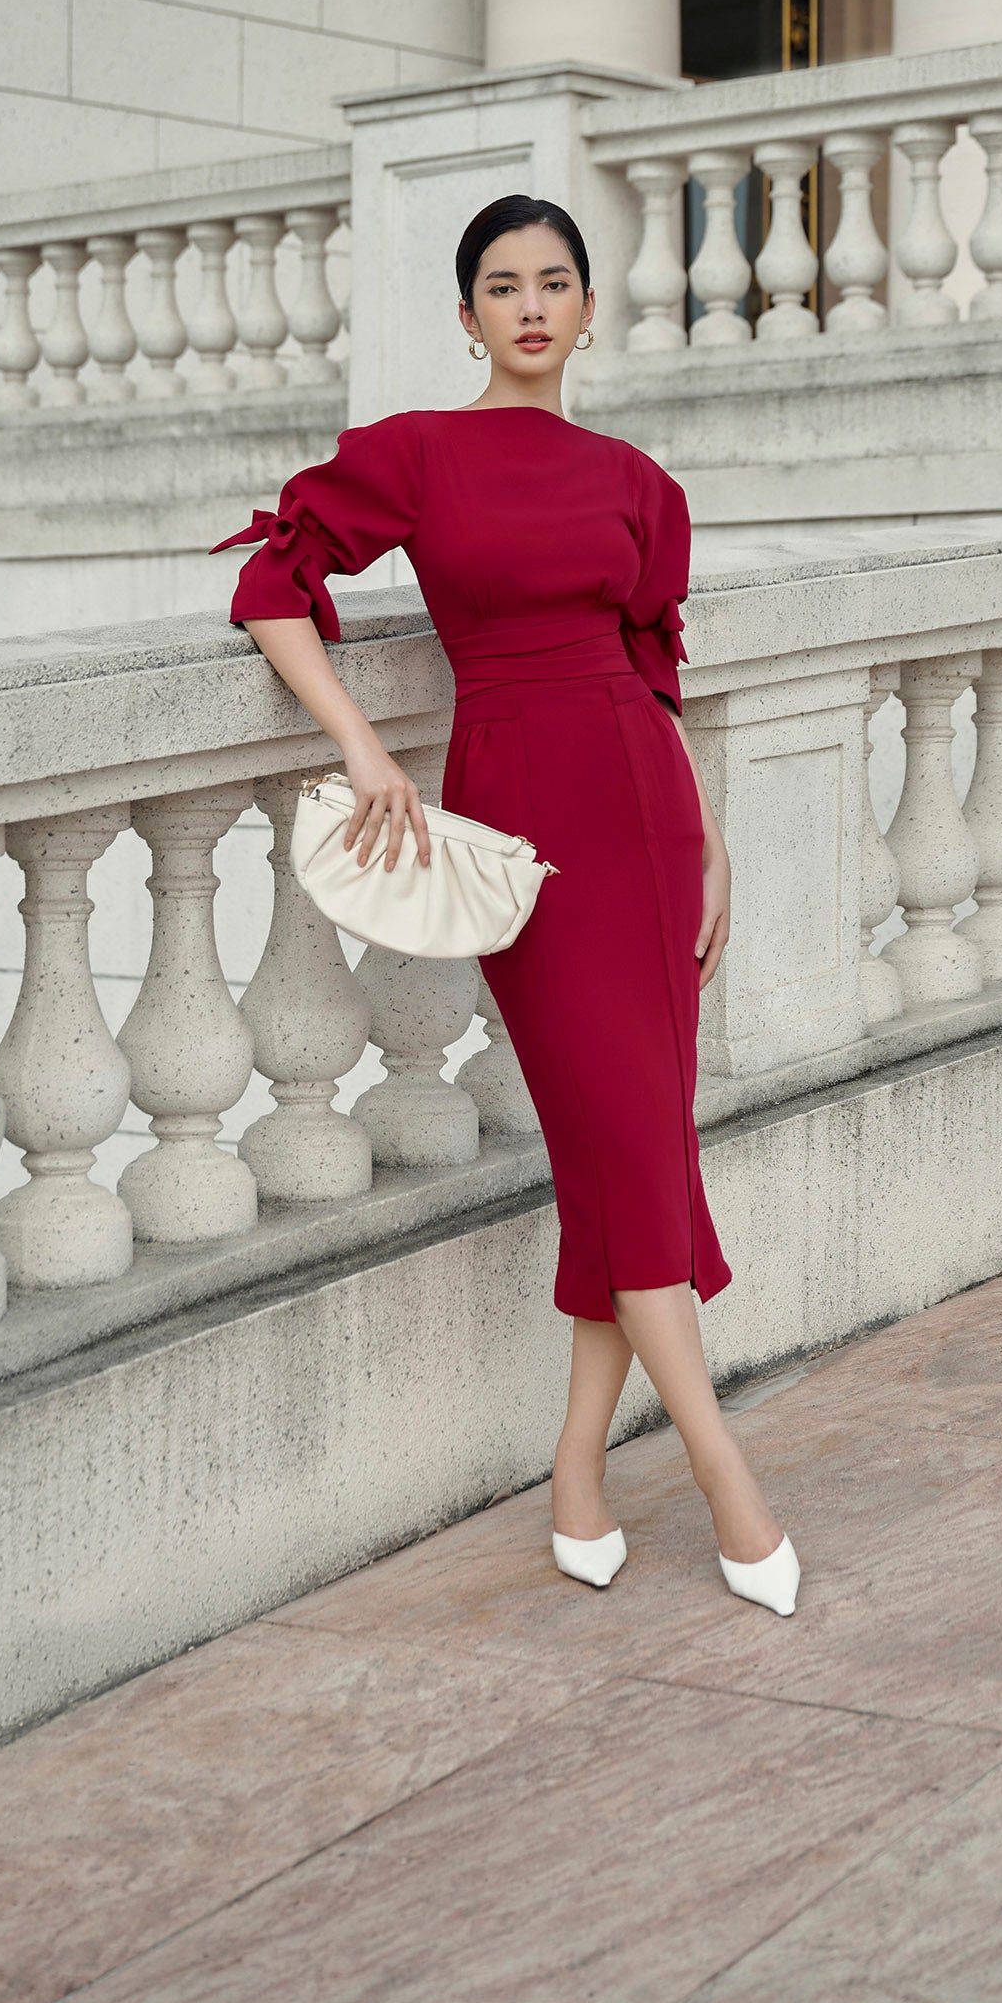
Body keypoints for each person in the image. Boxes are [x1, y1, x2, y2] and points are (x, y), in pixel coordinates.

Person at [213, 195, 799, 1617]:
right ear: (466, 317)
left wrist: (711, 835)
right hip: (522, 810)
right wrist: (363, 745)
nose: (530, 306)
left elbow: (653, 670)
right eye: (500, 285)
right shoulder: (417, 453)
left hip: (647, 816)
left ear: (589, 310)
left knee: (632, 1150)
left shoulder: (639, 484)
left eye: (554, 283)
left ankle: (579, 1472)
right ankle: (726, 1475)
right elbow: (273, 583)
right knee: (627, 1144)